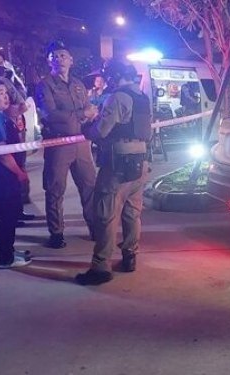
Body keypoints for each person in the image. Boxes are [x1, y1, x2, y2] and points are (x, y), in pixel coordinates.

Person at [76, 59, 152, 285]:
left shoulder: (116, 97)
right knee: (132, 213)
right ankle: (130, 257)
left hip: (118, 164)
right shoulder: (142, 96)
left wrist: (87, 123)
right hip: (140, 162)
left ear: (113, 76)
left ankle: (100, 267)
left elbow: (100, 132)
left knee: (106, 215)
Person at [35, 41, 98, 249]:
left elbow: (89, 109)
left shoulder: (79, 84)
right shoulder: (45, 85)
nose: (59, 59)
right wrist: (82, 115)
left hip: (81, 143)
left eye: (63, 55)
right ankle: (56, 233)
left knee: (89, 186)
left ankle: (95, 227)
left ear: (71, 60)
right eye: (55, 56)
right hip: (59, 143)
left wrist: (91, 115)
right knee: (55, 190)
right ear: (49, 61)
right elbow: (50, 115)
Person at [0, 77, 31, 269]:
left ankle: (9, 251)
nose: (6, 97)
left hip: (3, 177)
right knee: (4, 217)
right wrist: (19, 173)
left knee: (9, 215)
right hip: (0, 177)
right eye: (0, 93)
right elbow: (2, 154)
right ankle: (6, 258)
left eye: (6, 92)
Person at [0, 47, 35, 220]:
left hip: (13, 132)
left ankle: (16, 213)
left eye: (0, 63)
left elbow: (22, 103)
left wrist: (12, 113)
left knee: (16, 173)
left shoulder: (7, 82)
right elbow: (1, 153)